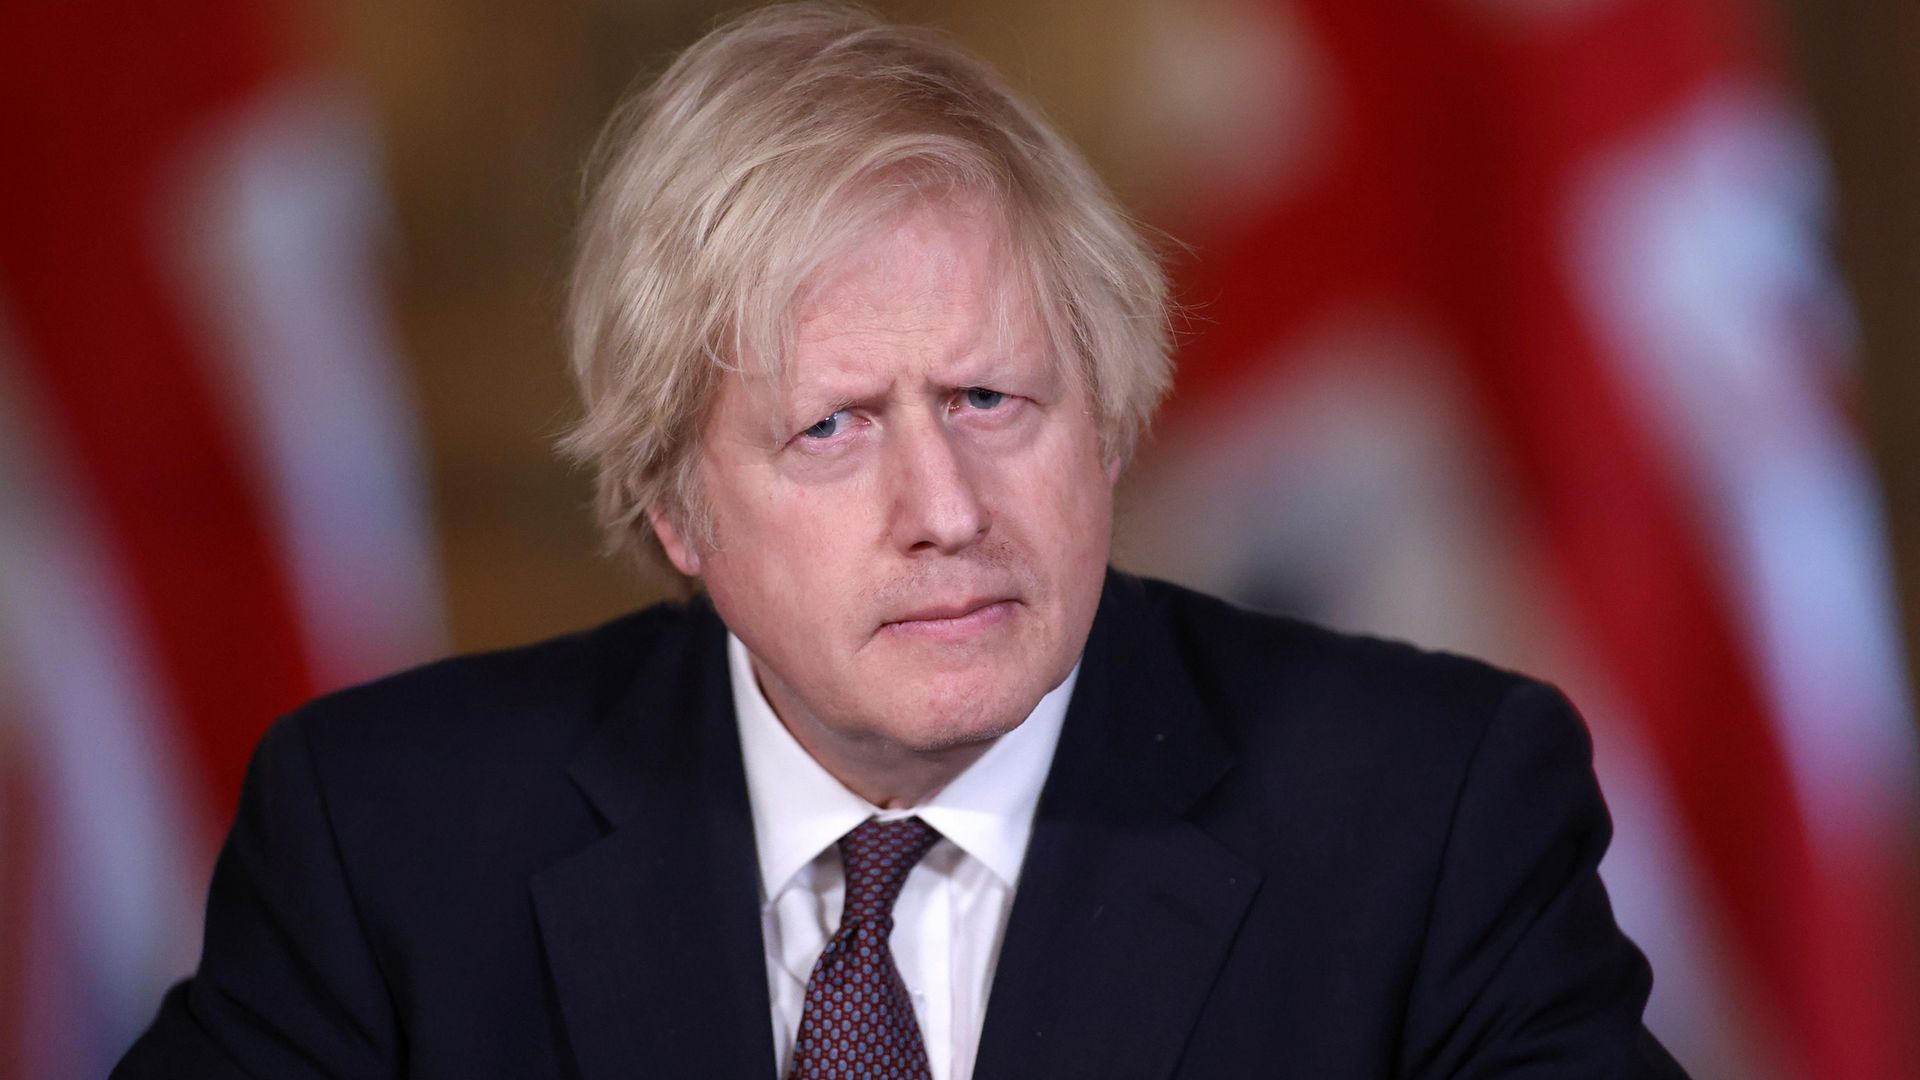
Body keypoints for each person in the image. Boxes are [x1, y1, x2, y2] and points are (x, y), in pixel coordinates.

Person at [115, 3, 1686, 1077]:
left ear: (1114, 421)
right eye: (833, 427)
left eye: (996, 399)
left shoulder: (1434, 816)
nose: (945, 511)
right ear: (674, 506)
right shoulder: (387, 838)